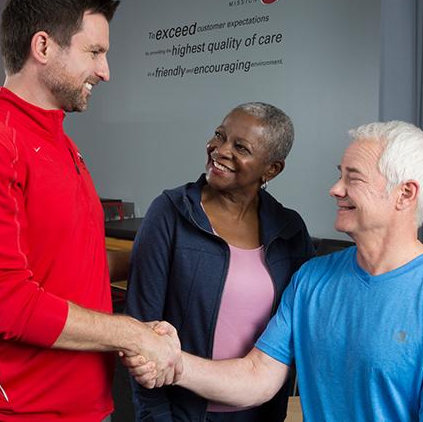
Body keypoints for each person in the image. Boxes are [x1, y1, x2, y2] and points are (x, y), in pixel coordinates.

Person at [0, 0, 180, 421]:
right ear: (42, 47)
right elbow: (5, 303)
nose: (105, 71)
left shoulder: (61, 143)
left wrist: (157, 261)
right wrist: (132, 335)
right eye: (95, 52)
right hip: (16, 411)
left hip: (86, 403)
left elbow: (65, 262)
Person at [127, 121, 423, 421]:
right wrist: (173, 363)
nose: (335, 188)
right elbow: (256, 377)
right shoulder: (312, 279)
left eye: (353, 178)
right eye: (340, 174)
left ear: (405, 194)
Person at [125, 103, 314, 422]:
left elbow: (302, 329)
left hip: (261, 414)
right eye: (219, 135)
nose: (220, 150)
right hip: (181, 414)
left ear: (272, 169)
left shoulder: (290, 230)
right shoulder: (170, 213)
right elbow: (141, 330)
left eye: (240, 147)